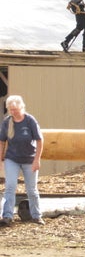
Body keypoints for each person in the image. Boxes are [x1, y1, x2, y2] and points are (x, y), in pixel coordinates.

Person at [1, 95, 44, 226]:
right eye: (11, 109)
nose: (13, 112)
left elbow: (39, 140)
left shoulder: (30, 120)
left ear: (21, 107)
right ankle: (7, 216)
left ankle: (36, 215)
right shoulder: (7, 122)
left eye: (15, 109)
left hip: (29, 159)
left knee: (31, 189)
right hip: (12, 158)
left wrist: (37, 160)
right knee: (10, 186)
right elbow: (2, 141)